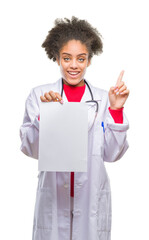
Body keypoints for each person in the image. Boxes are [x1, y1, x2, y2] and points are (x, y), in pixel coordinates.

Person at [20, 16, 129, 240]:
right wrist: (47, 115)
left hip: (90, 197)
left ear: (89, 60)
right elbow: (31, 149)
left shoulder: (102, 98)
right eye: (67, 58)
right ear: (57, 58)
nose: (73, 65)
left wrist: (116, 110)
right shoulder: (40, 96)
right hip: (54, 195)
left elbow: (111, 154)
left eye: (81, 59)